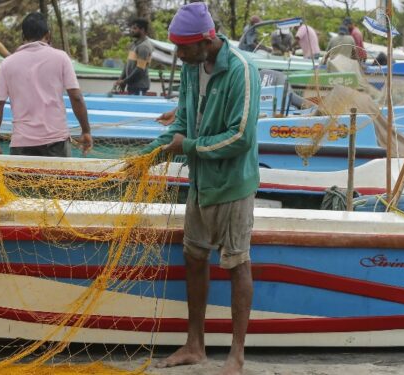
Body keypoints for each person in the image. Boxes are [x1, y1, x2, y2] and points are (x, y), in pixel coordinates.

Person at [138, 3, 260, 374]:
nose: (179, 55)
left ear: (207, 41)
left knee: (237, 263)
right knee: (194, 257)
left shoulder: (242, 70)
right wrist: (150, 154)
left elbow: (240, 137)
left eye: (184, 48)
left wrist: (187, 147)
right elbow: (185, 120)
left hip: (234, 184)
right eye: (176, 47)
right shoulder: (192, 70)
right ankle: (195, 344)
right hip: (201, 183)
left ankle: (236, 354)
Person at [0, 12, 92, 157]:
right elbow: (76, 97)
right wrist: (86, 130)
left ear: (23, 37)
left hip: (22, 143)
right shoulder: (61, 58)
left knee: (22, 181)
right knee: (59, 180)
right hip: (57, 142)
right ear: (48, 35)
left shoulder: (8, 63)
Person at [116, 18, 154, 95]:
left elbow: (140, 69)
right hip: (132, 85)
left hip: (139, 86)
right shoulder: (134, 44)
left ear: (142, 30)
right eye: (131, 28)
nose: (131, 30)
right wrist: (121, 80)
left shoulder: (144, 47)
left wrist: (125, 81)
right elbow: (127, 64)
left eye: (135, 28)